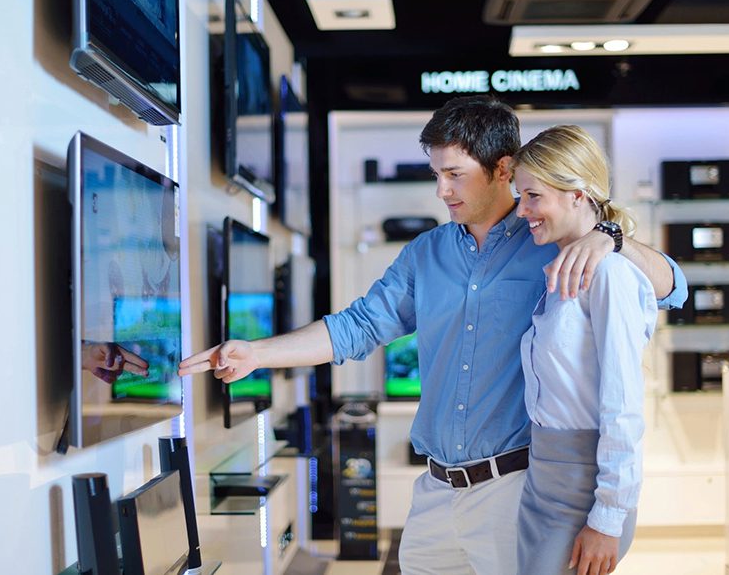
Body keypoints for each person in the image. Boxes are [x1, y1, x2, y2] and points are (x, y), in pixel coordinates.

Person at [179, 95, 687, 574]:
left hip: (515, 488)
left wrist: (611, 237)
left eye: (454, 175)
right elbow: (357, 327)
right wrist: (256, 354)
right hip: (435, 493)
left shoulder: (551, 238)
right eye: (436, 175)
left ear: (503, 169)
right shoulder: (425, 253)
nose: (442, 190)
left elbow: (672, 288)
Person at [512, 125, 655, 575]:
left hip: (584, 488)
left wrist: (608, 518)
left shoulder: (611, 274)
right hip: (543, 480)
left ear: (577, 192)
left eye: (533, 196)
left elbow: (624, 404)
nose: (522, 211)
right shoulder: (560, 271)